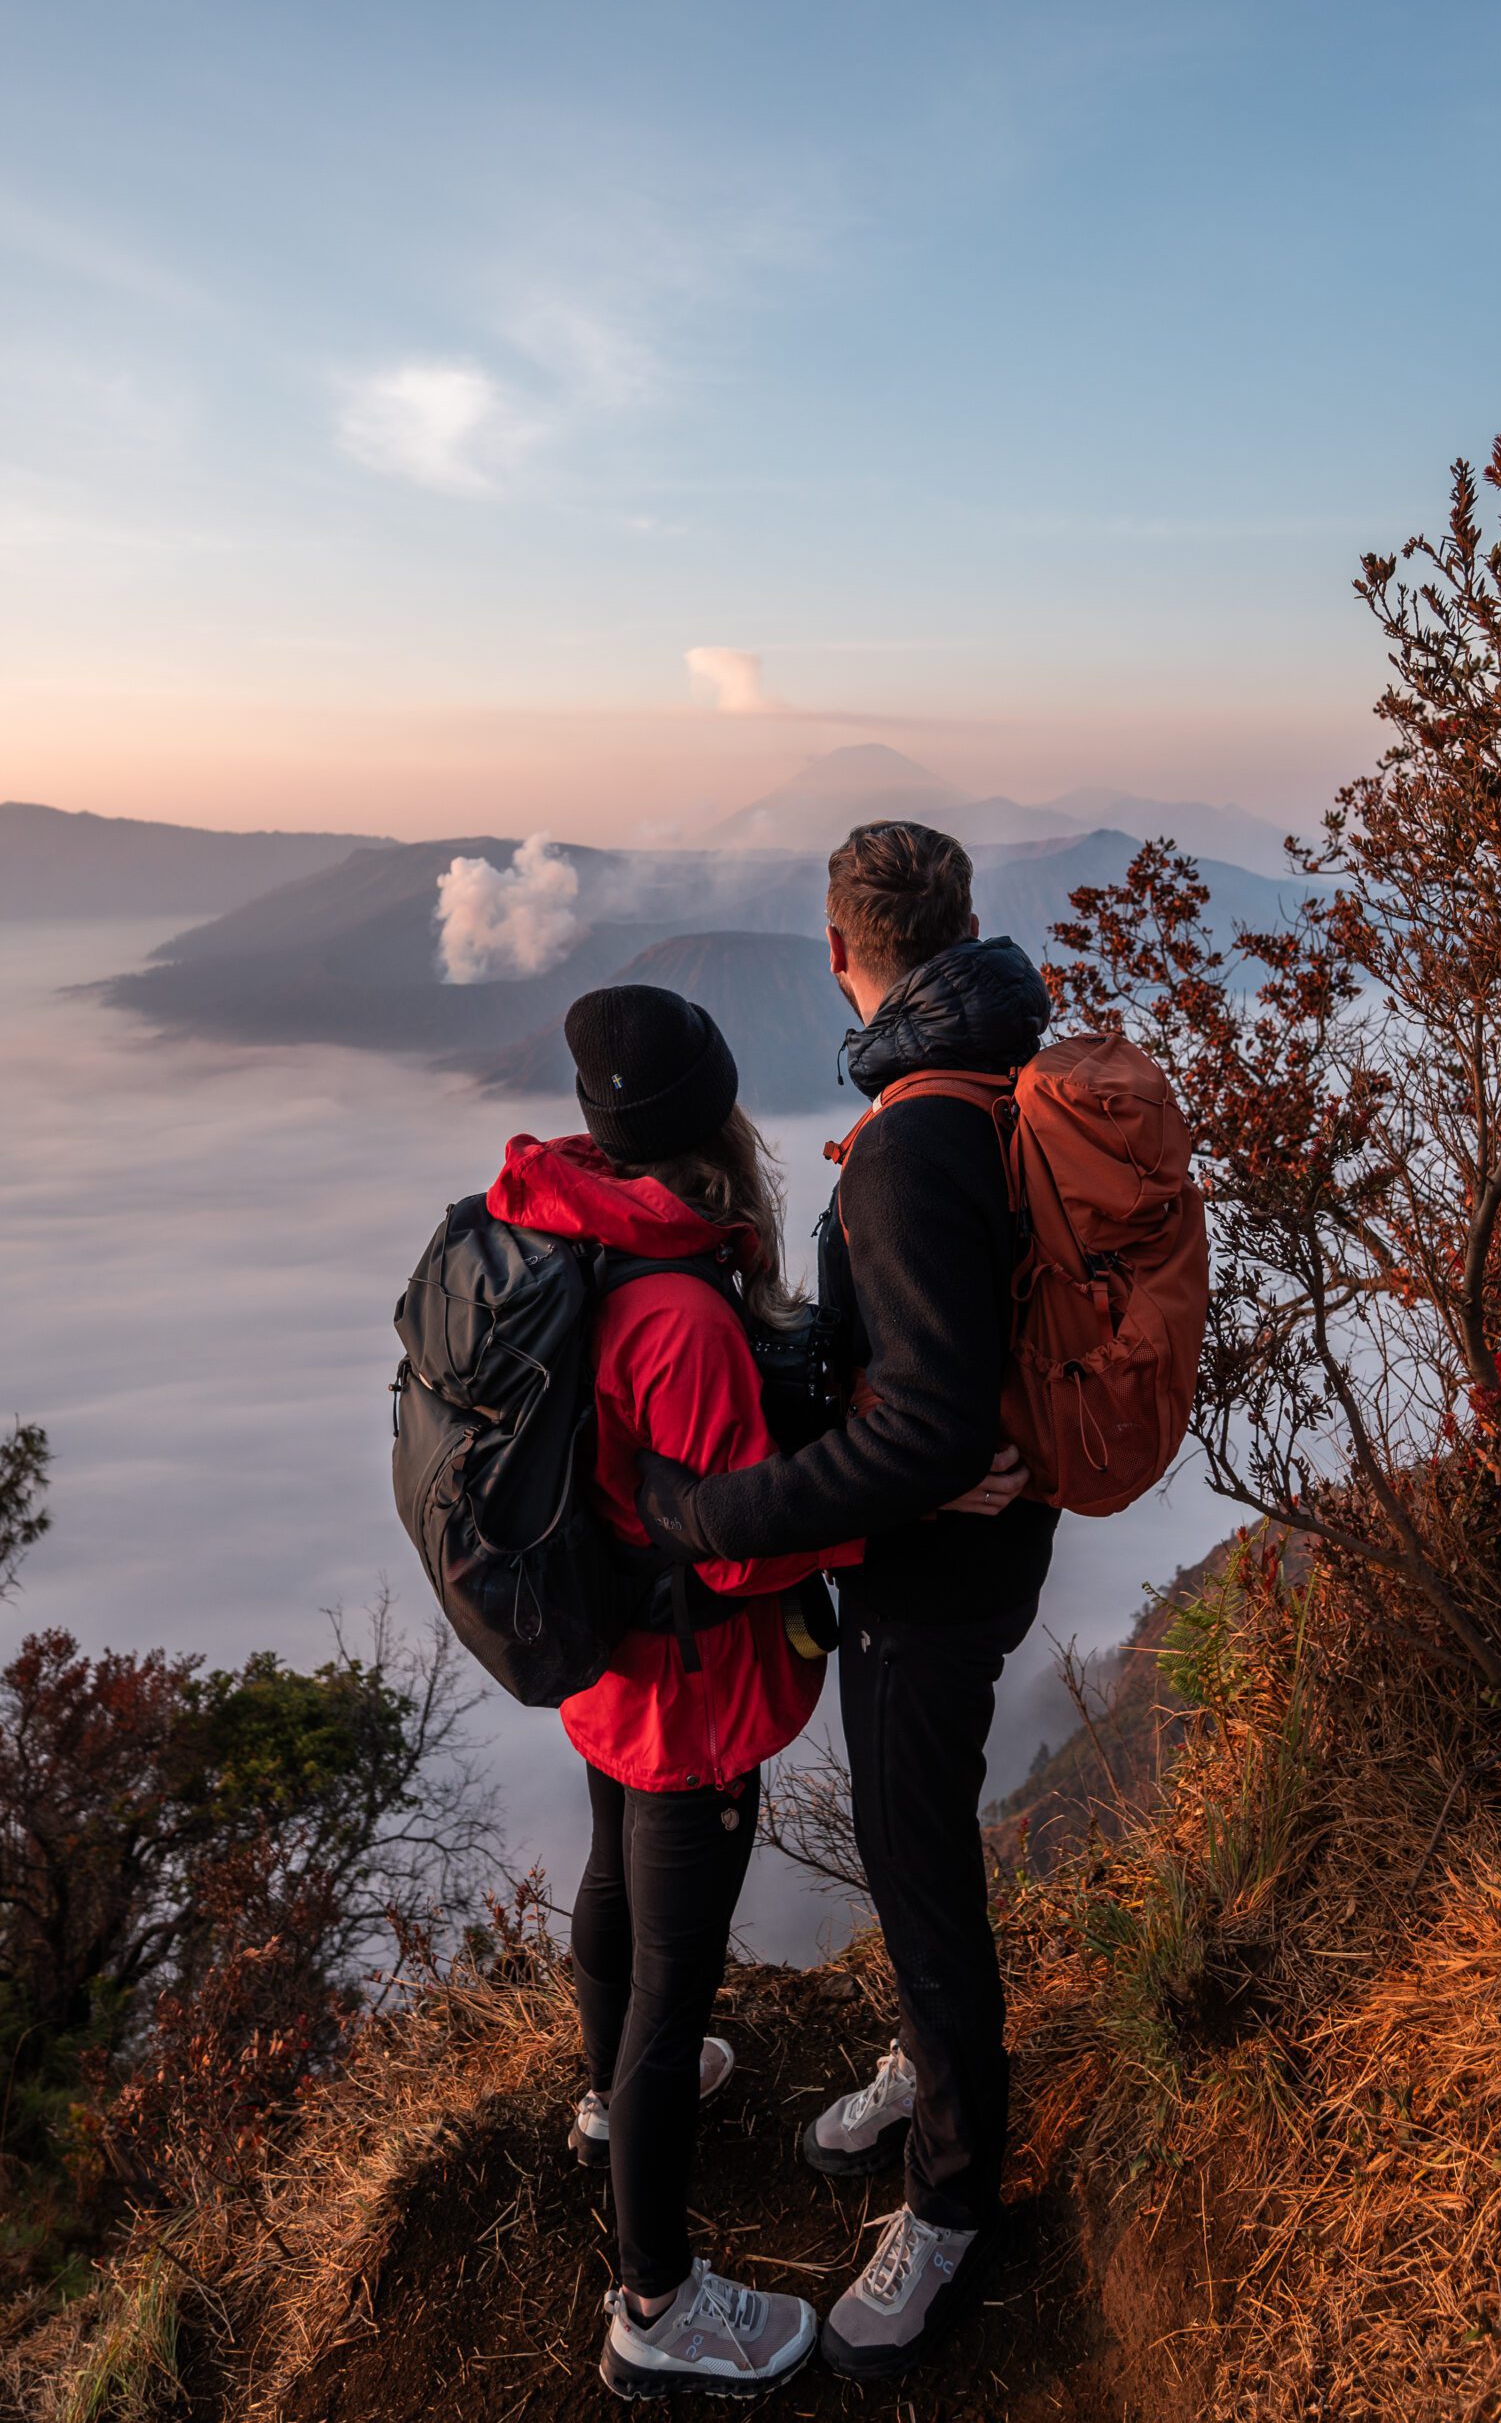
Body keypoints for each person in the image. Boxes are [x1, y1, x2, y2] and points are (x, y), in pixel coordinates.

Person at [636, 820, 1056, 2384]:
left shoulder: (907, 1133)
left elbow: (935, 1423)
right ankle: (931, 2062)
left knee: (916, 1854)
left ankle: (951, 2197)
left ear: (836, 949)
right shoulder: (1000, 1070)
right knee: (914, 1841)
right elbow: (948, 1376)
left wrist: (715, 1512)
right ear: (959, 929)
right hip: (980, 1552)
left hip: (930, 1585)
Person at [486, 983, 854, 2401]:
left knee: (614, 1896)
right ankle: (656, 2304)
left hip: (599, 1663)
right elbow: (737, 1542)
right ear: (719, 1121)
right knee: (670, 1991)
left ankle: (605, 2103)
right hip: (684, 1690)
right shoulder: (680, 1315)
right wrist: (863, 1519)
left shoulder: (558, 1230)